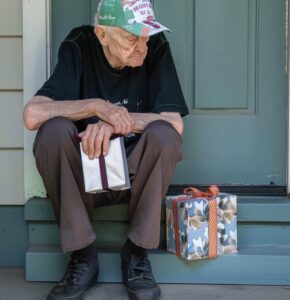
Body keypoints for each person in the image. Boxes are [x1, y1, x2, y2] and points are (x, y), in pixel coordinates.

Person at [23, 0, 188, 299]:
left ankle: (137, 254)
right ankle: (82, 255)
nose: (142, 47)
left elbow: (175, 124)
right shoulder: (80, 44)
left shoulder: (156, 47)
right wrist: (97, 107)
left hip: (135, 174)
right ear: (102, 35)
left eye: (145, 37)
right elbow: (32, 115)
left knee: (164, 135)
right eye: (130, 37)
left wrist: (114, 122)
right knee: (52, 132)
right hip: (85, 177)